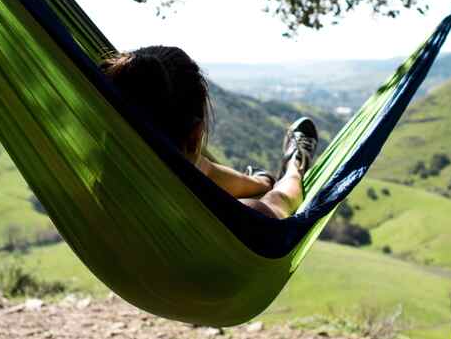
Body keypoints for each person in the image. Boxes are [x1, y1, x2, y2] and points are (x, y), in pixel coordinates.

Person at [100, 45, 317, 220]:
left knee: (188, 167)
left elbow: (204, 170)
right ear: (195, 136)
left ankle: (261, 181)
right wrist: (292, 172)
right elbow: (285, 199)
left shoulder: (92, 192)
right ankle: (296, 161)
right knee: (284, 186)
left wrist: (263, 182)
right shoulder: (242, 219)